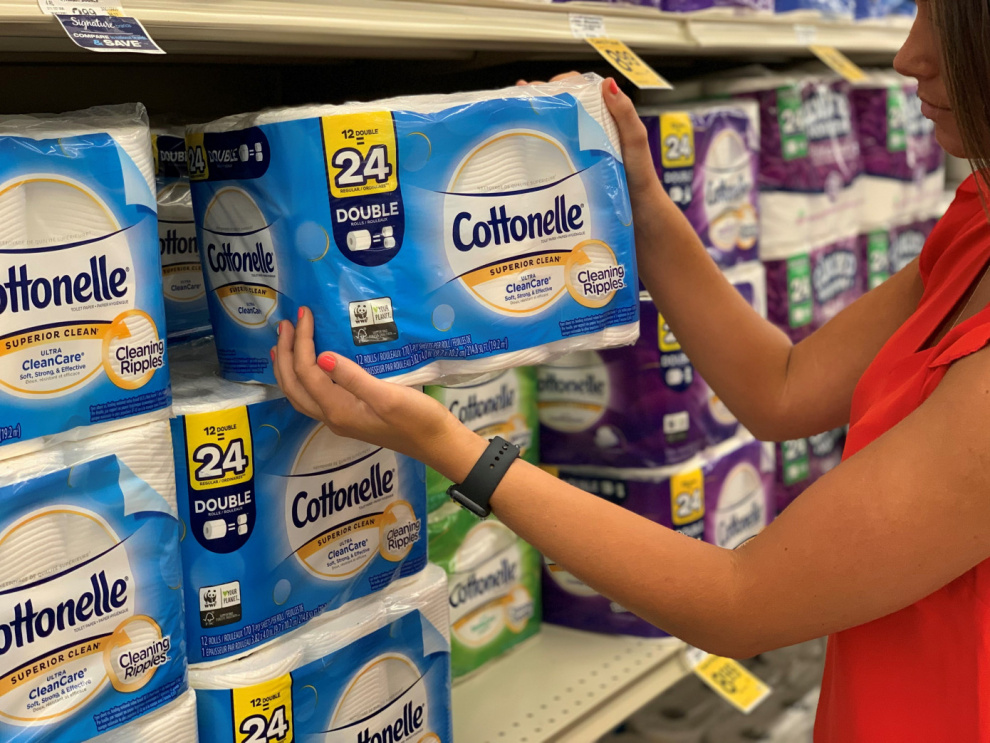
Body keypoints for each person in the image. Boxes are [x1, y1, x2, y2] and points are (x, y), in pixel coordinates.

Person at [271, 1, 990, 738]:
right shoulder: (978, 218)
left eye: (949, 25)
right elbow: (781, 386)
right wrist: (636, 199)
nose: (907, 56)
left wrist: (446, 445)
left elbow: (741, 602)